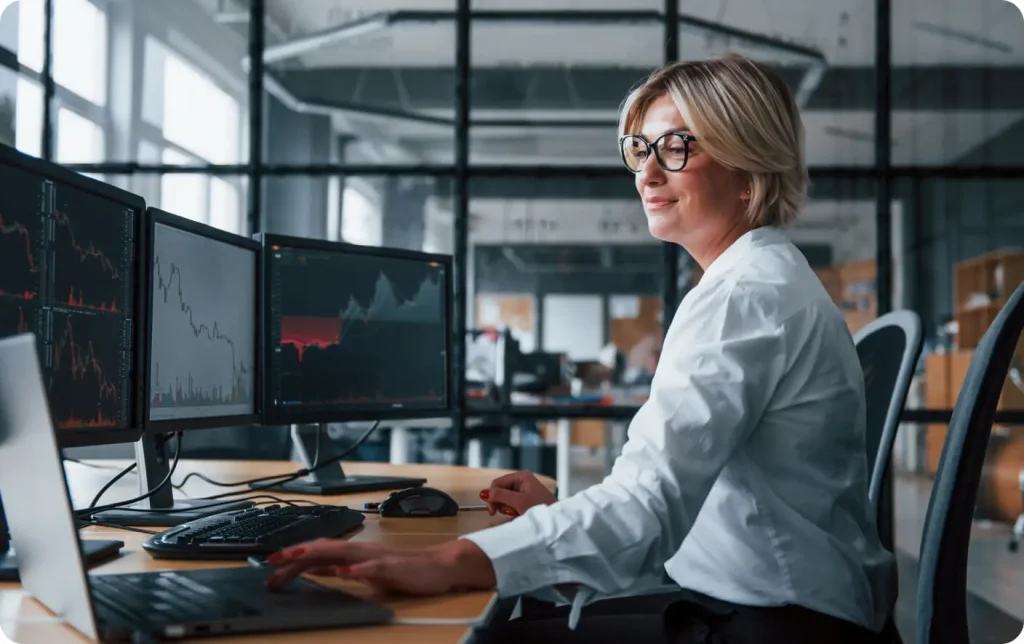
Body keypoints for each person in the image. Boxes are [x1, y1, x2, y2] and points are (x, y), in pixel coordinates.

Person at [263, 53, 897, 644]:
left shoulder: (744, 295)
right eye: (640, 148)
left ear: (748, 164)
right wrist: (567, 518)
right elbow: (703, 504)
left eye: (677, 147)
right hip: (762, 593)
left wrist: (451, 559)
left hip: (777, 621)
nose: (648, 171)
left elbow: (652, 509)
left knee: (475, 627)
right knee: (526, 598)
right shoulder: (760, 280)